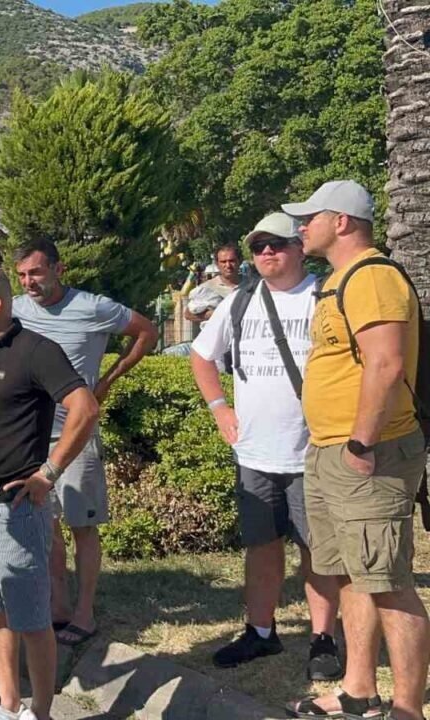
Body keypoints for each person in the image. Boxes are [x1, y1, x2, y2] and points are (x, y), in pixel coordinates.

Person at [282, 181, 429, 720]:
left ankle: (408, 709)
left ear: (341, 221)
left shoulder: (372, 276)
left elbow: (386, 363)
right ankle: (357, 690)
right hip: (332, 452)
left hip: (370, 453)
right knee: (348, 573)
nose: (301, 227)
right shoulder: (340, 280)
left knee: (387, 582)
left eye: (310, 217)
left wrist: (361, 442)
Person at [188, 213, 341, 679]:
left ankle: (323, 639)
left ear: (300, 247)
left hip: (312, 450)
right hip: (254, 453)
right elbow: (201, 355)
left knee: (318, 550)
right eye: (258, 246)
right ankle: (260, 631)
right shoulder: (241, 300)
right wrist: (220, 408)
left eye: (276, 243)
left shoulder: (324, 296)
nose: (267, 252)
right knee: (260, 546)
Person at [0, 268, 99, 720]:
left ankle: (40, 712)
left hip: (15, 510)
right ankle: (7, 702)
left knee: (32, 618)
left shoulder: (37, 351)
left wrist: (49, 472)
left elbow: (85, 408)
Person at [11, 238, 158, 647]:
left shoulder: (93, 307)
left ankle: (84, 613)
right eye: (21, 275)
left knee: (82, 526)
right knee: (47, 524)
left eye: (36, 272)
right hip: (32, 437)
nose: (28, 282)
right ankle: (58, 606)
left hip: (76, 435)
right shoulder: (17, 310)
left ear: (58, 269)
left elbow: (147, 331)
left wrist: (107, 380)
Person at [185, 244, 242, 325]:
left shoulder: (252, 285)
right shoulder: (207, 288)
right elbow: (188, 314)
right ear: (217, 264)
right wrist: (217, 314)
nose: (228, 265)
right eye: (223, 262)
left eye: (232, 261)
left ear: (240, 261)